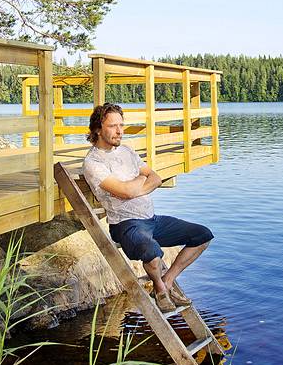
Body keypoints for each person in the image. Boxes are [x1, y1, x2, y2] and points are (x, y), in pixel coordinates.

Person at [83, 103, 214, 313]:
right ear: (98, 129)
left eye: (121, 125)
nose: (119, 131)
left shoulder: (126, 150)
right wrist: (139, 180)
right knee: (151, 251)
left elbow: (156, 178)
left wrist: (136, 186)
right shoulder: (93, 162)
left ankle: (167, 281)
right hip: (125, 225)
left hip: (151, 219)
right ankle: (161, 290)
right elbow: (126, 191)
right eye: (113, 126)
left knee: (203, 235)